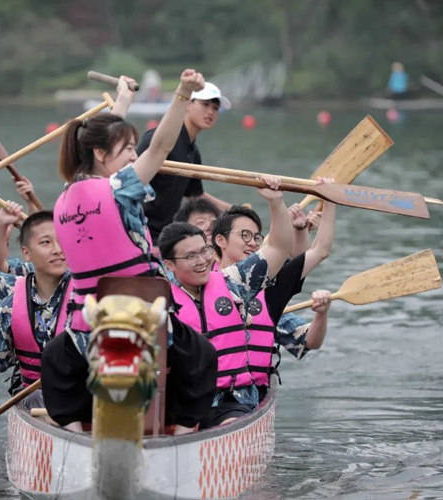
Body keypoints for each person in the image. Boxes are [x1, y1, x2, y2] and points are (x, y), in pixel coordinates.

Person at [41, 70, 217, 434]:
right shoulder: (122, 187)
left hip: (86, 322)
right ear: (101, 154)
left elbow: (106, 141)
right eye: (128, 150)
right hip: (143, 316)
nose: (135, 156)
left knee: (55, 358)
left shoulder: (64, 195)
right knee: (202, 355)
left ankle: (74, 433)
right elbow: (162, 147)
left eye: (135, 149)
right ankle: (184, 432)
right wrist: (182, 93)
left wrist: (122, 100)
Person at [158, 175, 294, 428]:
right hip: (176, 401)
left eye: (204, 251)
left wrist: (276, 203)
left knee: (228, 422)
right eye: (190, 256)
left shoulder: (233, 281)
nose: (201, 261)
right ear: (169, 264)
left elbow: (279, 246)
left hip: (227, 400)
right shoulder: (158, 294)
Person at [0, 210, 71, 441]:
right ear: (26, 253)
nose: (58, 250)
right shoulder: (11, 301)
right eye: (47, 243)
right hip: (36, 399)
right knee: (37, 398)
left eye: (62, 242)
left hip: (81, 399)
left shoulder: (88, 293)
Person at [211, 198, 336, 360]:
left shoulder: (268, 291)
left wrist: (329, 203)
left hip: (256, 385)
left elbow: (310, 341)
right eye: (245, 235)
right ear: (220, 240)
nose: (253, 243)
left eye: (257, 237)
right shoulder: (200, 284)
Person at [138, 81, 232, 241]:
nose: (211, 112)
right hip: (141, 228)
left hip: (164, 231)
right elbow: (129, 178)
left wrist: (233, 210)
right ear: (187, 104)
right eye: (205, 104)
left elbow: (196, 195)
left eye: (215, 108)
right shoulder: (158, 140)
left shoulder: (193, 152)